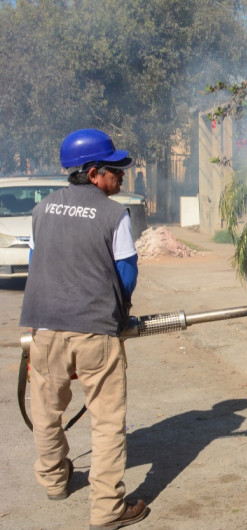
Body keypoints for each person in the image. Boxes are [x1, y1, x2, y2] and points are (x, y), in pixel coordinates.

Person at [19, 128, 148, 529]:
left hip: (44, 329)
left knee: (46, 411)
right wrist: (119, 314)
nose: (122, 175)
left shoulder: (42, 210)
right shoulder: (114, 214)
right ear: (93, 173)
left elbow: (36, 263)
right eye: (115, 169)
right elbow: (126, 274)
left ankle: (55, 481)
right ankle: (108, 510)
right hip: (95, 331)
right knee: (107, 422)